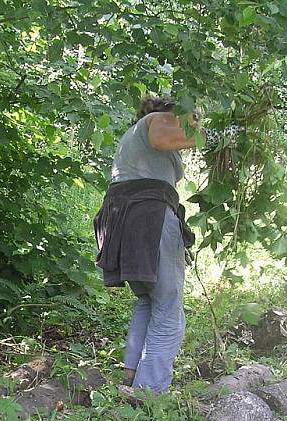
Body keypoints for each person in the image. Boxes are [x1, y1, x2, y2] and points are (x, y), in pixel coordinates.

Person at [94, 96, 238, 393]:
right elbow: (164, 136)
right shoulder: (155, 121)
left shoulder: (133, 140)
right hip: (149, 216)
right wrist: (220, 134)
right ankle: (149, 394)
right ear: (172, 113)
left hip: (125, 219)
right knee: (169, 307)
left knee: (149, 299)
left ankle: (131, 377)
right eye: (189, 116)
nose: (192, 121)